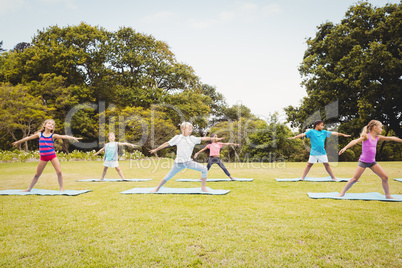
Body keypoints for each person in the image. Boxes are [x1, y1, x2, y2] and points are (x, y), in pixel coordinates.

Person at [149, 122, 223, 192]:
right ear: (183, 129)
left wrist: (212, 139)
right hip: (178, 163)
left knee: (204, 169)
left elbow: (203, 138)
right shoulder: (177, 138)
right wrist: (156, 149)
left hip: (188, 162)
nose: (191, 131)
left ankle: (203, 188)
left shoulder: (192, 138)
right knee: (168, 176)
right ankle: (157, 189)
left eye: (191, 129)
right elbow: (167, 143)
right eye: (189, 129)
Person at [11, 119, 82, 192]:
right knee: (37, 175)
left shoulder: (53, 135)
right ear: (44, 125)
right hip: (43, 157)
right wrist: (18, 142)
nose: (51, 125)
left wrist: (73, 137)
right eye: (49, 123)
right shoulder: (39, 134)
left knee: (59, 172)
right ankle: (29, 189)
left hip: (52, 156)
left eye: (53, 125)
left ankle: (61, 189)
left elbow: (64, 136)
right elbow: (28, 138)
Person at [337, 120, 401, 199]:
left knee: (385, 177)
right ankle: (342, 193)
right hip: (363, 162)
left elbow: (391, 138)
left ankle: (387, 195)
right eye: (380, 127)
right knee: (354, 179)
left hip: (372, 162)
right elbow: (355, 141)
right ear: (374, 128)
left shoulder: (378, 137)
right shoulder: (366, 136)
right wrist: (345, 148)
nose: (381, 129)